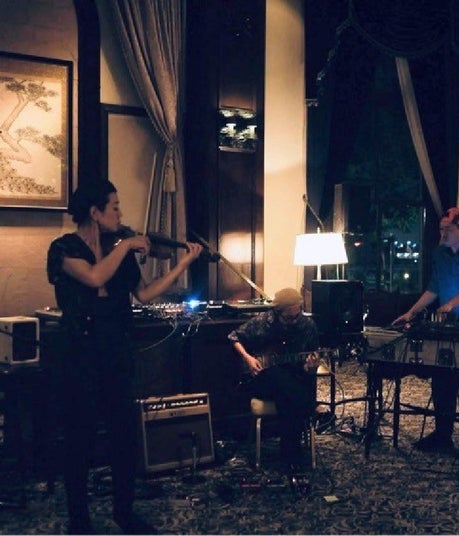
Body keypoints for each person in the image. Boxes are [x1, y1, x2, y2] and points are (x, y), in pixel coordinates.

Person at [47, 180, 202, 535]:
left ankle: (124, 512)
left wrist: (182, 264)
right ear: (94, 212)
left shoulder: (119, 248)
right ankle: (79, 519)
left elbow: (144, 294)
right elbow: (94, 277)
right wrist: (128, 244)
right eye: (114, 207)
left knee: (124, 435)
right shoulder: (63, 249)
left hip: (116, 349)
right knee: (80, 437)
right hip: (79, 353)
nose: (120, 214)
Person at [392, 207, 459, 455]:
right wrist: (411, 312)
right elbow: (433, 288)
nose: (443, 234)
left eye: (448, 229)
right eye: (441, 229)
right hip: (447, 327)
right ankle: (442, 435)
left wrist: (450, 304)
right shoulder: (439, 254)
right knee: (442, 378)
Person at [228, 288, 320, 471]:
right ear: (278, 312)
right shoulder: (264, 321)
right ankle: (293, 451)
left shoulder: (308, 326)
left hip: (292, 379)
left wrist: (311, 366)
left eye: (297, 315)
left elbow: (309, 366)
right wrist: (248, 359)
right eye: (289, 317)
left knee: (288, 393)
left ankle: (289, 455)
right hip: (261, 378)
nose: (294, 320)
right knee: (283, 380)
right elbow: (233, 337)